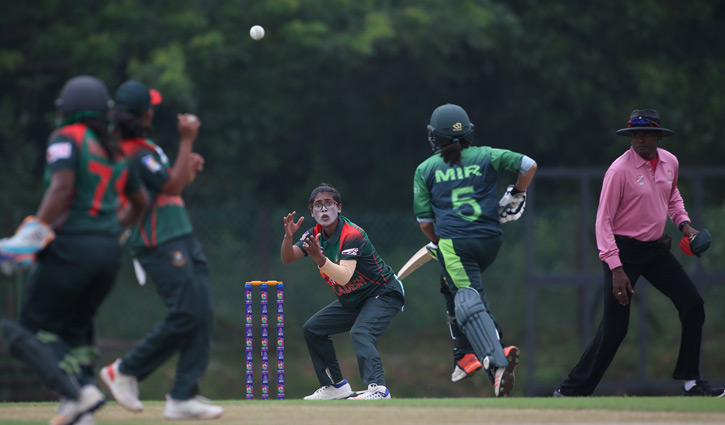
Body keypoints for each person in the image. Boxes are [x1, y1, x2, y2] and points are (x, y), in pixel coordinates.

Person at [0, 75, 148, 425]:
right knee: (77, 332)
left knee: (28, 330)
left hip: (70, 247)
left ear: (67, 109)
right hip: (107, 253)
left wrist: (32, 236)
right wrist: (117, 227)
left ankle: (77, 393)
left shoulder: (67, 138)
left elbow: (62, 189)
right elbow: (140, 202)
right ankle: (82, 411)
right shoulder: (114, 149)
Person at [554, 109, 724, 398]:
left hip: (656, 250)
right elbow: (603, 221)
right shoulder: (619, 170)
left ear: (658, 135)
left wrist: (684, 225)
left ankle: (691, 383)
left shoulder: (670, 162)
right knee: (615, 330)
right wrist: (616, 268)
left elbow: (672, 197)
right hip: (623, 254)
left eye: (645, 133)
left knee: (692, 304)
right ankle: (570, 391)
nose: (639, 139)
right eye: (634, 133)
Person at [98, 80, 224, 419]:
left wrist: (188, 167)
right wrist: (186, 140)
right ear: (145, 113)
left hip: (179, 233)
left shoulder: (145, 146)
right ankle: (125, 370)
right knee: (185, 313)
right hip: (157, 240)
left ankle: (183, 395)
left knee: (202, 312)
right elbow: (168, 183)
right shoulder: (132, 151)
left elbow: (173, 185)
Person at [413, 103, 537, 397]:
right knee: (456, 287)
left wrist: (440, 240)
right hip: (490, 240)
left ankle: (497, 361)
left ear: (436, 137)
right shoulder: (485, 155)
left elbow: (425, 223)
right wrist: (518, 192)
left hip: (456, 244)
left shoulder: (426, 169)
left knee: (466, 302)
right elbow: (528, 165)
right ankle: (464, 357)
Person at [281, 183, 405, 400]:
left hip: (383, 293)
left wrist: (320, 259)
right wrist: (289, 237)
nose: (323, 209)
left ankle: (378, 390)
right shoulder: (313, 235)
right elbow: (288, 258)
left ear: (338, 207)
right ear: (311, 211)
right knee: (313, 329)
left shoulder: (351, 234)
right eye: (318, 205)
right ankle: (335, 386)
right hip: (354, 299)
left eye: (328, 203)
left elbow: (344, 276)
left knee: (361, 332)